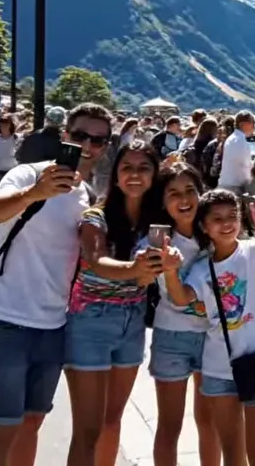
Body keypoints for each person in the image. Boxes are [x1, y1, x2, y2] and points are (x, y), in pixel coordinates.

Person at [0, 103, 112, 466]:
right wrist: (36, 192)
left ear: (105, 146)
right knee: (0, 429)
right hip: (5, 321)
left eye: (98, 140)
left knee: (32, 422)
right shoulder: (28, 174)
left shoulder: (88, 195)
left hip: (53, 326)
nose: (88, 145)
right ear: (65, 135)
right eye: (80, 135)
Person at [160, 190, 255, 466]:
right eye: (217, 218)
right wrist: (170, 271)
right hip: (219, 367)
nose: (226, 223)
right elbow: (181, 297)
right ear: (205, 227)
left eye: (232, 216)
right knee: (232, 453)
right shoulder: (201, 269)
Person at [64, 140, 166, 466]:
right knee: (88, 428)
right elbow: (95, 260)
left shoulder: (155, 223)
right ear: (116, 175)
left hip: (132, 321)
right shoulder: (96, 217)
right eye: (127, 168)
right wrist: (134, 270)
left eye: (143, 168)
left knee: (111, 421)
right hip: (89, 321)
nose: (134, 175)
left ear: (155, 174)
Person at [149, 163, 220, 466]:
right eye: (173, 193)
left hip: (212, 336)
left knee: (210, 422)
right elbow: (174, 297)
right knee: (170, 425)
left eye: (190, 190)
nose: (184, 199)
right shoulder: (156, 242)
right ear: (163, 202)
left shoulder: (217, 235)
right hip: (172, 336)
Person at [216, 111, 255, 191]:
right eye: (253, 123)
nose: (254, 127)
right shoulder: (240, 141)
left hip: (225, 183)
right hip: (235, 186)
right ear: (243, 124)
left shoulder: (231, 138)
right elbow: (246, 166)